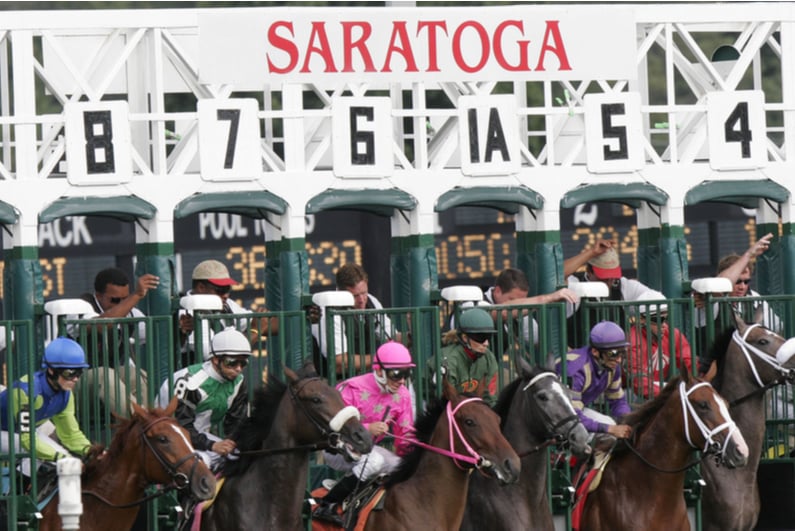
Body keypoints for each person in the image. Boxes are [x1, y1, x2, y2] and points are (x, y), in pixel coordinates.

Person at [314, 341, 415, 526]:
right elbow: (334, 428)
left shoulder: (403, 395)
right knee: (374, 461)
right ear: (378, 371)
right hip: (338, 448)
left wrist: (412, 456)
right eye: (397, 374)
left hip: (369, 450)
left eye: (406, 374)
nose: (402, 380)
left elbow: (405, 435)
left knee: (401, 467)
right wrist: (368, 428)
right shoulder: (350, 389)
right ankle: (327, 504)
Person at [0, 337, 92, 498]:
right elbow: (28, 440)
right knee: (42, 452)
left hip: (15, 434)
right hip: (8, 433)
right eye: (70, 373)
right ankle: (12, 502)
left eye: (79, 372)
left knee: (60, 454)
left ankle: (23, 499)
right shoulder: (27, 391)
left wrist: (92, 451)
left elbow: (70, 435)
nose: (75, 379)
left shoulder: (66, 395)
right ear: (51, 370)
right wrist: (60, 457)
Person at [158, 328, 250, 473]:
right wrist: (212, 445)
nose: (238, 369)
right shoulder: (191, 384)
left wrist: (234, 443)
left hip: (198, 435)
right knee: (202, 464)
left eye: (243, 363)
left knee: (238, 456)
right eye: (231, 363)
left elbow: (236, 423)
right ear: (215, 360)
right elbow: (181, 427)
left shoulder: (239, 382)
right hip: (167, 438)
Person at [69, 267, 159, 414]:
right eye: (116, 300)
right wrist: (135, 295)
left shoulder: (131, 313)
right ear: (98, 296)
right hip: (73, 385)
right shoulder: (80, 306)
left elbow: (156, 335)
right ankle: (143, 423)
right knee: (104, 374)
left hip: (108, 386)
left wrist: (181, 328)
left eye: (125, 299)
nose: (123, 304)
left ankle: (145, 424)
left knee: (135, 374)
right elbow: (102, 325)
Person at [694, 233, 781, 374]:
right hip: (713, 371)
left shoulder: (754, 297)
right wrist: (749, 254)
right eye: (738, 281)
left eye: (746, 282)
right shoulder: (711, 298)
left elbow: (778, 327)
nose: (742, 286)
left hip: (746, 369)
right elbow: (719, 284)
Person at [452, 267, 579, 353]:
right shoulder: (473, 302)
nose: (518, 305)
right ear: (497, 291)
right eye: (512, 300)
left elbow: (540, 339)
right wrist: (548, 298)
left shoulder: (519, 314)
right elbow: (491, 315)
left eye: (522, 301)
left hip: (491, 372)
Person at [565, 239, 654, 348]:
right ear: (588, 271)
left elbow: (658, 301)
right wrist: (592, 252)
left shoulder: (624, 285)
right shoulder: (575, 283)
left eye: (612, 277)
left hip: (616, 357)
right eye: (604, 278)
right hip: (581, 359)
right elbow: (557, 273)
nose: (609, 282)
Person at [312, 263, 397, 377]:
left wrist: (411, 335)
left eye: (364, 293)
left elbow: (393, 337)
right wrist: (380, 358)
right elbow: (339, 363)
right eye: (355, 296)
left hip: (363, 380)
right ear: (341, 292)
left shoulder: (372, 301)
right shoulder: (329, 309)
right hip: (330, 384)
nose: (362, 300)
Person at [178, 259, 268, 366]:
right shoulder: (188, 313)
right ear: (201, 287)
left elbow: (263, 322)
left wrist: (273, 321)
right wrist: (255, 330)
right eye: (220, 290)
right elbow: (219, 357)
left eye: (227, 289)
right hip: (198, 381)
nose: (226, 295)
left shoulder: (227, 304)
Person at [557, 321, 632, 439]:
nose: (618, 359)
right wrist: (609, 429)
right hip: (554, 415)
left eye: (622, 352)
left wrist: (628, 421)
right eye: (613, 353)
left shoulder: (612, 366)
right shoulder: (575, 370)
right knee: (609, 428)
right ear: (595, 351)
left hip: (575, 410)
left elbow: (618, 401)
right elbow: (571, 414)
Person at [627, 290, 692, 399]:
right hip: (630, 391)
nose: (663, 325)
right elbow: (639, 383)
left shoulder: (672, 334)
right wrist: (669, 396)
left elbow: (689, 363)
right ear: (641, 320)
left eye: (665, 318)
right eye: (657, 319)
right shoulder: (632, 341)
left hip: (657, 386)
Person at [429, 307, 499, 407]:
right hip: (428, 401)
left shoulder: (489, 358)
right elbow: (444, 399)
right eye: (481, 338)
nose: (486, 343)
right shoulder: (449, 360)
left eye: (488, 337)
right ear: (465, 338)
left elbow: (490, 398)